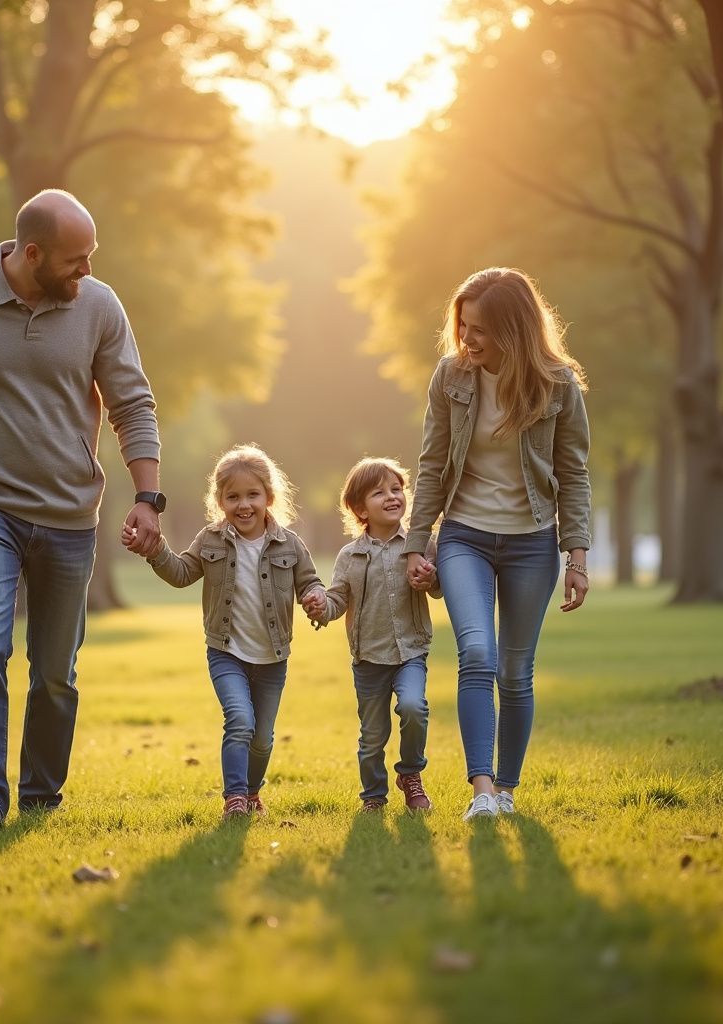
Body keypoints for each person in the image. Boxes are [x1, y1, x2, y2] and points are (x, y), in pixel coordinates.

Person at [0, 189, 164, 837]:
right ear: (33, 253)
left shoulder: (98, 306)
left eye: (91, 257)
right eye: (76, 259)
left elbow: (132, 403)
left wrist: (148, 497)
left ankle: (41, 797)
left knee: (53, 672)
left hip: (72, 514)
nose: (88, 271)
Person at [405, 267, 591, 821]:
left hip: (532, 542)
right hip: (464, 537)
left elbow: (574, 473)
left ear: (514, 328)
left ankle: (507, 789)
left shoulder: (558, 384)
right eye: (463, 327)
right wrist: (419, 542)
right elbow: (432, 464)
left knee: (515, 670)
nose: (468, 340)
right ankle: (482, 789)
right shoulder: (451, 376)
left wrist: (577, 554)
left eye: (481, 329)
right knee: (477, 655)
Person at [123, 445, 325, 820]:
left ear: (269, 497)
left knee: (262, 738)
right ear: (219, 500)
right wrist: (154, 551)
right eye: (233, 496)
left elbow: (310, 583)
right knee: (240, 720)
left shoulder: (290, 545)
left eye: (253, 495)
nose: (243, 505)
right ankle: (234, 799)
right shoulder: (211, 540)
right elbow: (182, 573)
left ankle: (251, 793)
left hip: (272, 657)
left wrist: (317, 599)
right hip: (226, 651)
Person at [316, 457, 441, 813]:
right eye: (379, 492)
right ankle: (373, 795)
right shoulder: (349, 555)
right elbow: (337, 598)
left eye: (397, 489)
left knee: (414, 707)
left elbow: (437, 588)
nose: (392, 496)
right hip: (369, 657)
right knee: (372, 736)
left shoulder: (420, 544)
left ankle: (411, 775)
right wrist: (320, 607)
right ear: (359, 508)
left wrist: (431, 579)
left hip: (411, 650)